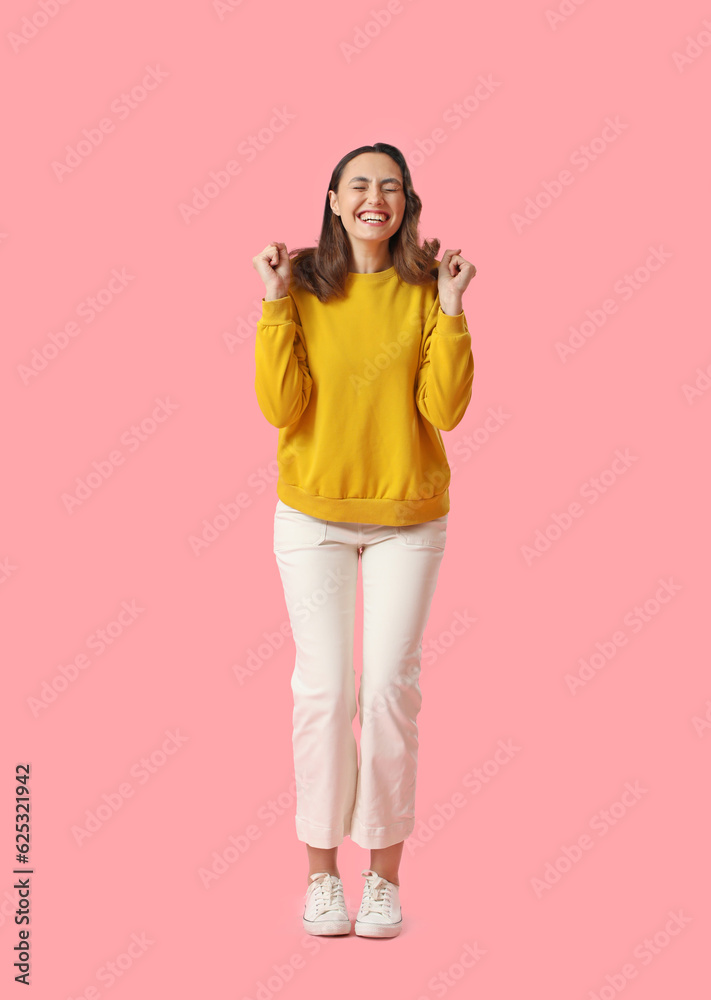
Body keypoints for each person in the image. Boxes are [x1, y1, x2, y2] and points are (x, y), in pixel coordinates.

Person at [252, 142, 476, 938]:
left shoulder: (427, 285)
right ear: (335, 199)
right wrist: (275, 302)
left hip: (407, 520)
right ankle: (321, 878)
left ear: (407, 201)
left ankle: (381, 878)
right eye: (360, 186)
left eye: (390, 186)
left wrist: (451, 309)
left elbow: (444, 411)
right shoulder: (304, 284)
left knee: (386, 690)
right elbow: (280, 406)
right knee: (325, 692)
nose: (374, 197)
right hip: (311, 515)